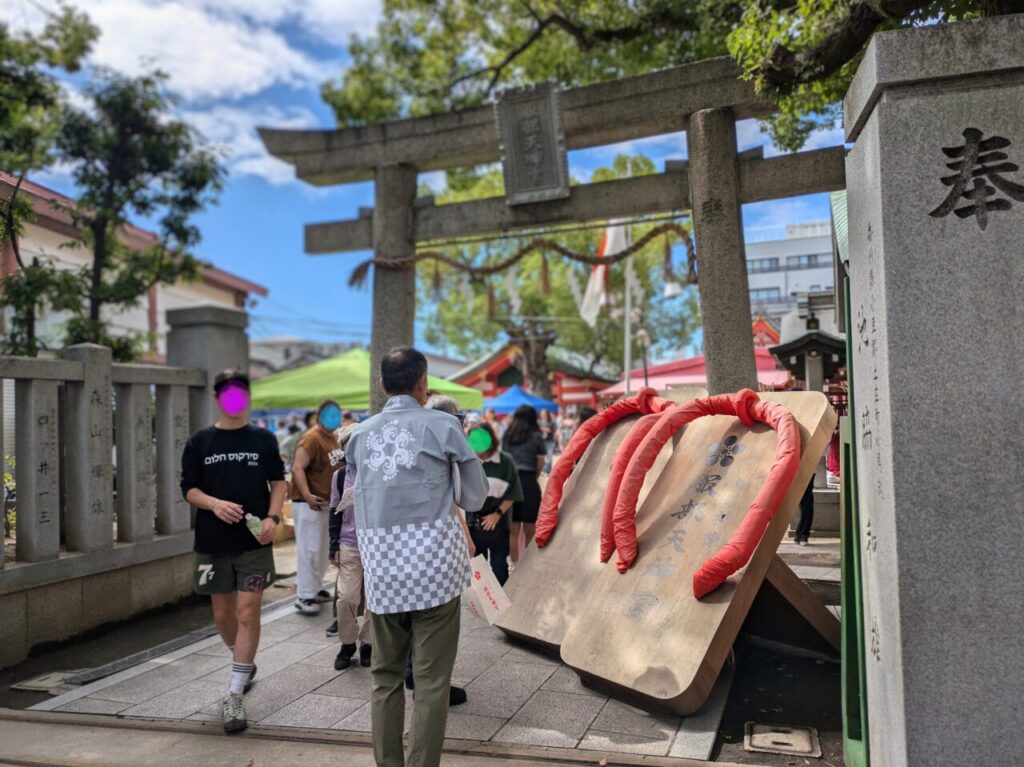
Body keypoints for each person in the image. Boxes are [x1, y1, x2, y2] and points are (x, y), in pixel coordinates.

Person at [347, 347, 488, 767]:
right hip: (435, 571)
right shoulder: (444, 426)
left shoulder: (358, 436)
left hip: (384, 572)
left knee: (385, 675)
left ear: (381, 384)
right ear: (423, 383)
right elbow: (474, 496)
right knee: (431, 681)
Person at [179, 369, 286, 734]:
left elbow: (279, 482)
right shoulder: (200, 442)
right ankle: (243, 660)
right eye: (228, 393)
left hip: (253, 544)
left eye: (241, 392)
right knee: (224, 614)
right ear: (217, 398)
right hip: (212, 544)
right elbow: (189, 489)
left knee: (247, 611)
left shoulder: (263, 439)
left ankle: (234, 692)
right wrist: (213, 504)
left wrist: (273, 517)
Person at [290, 400, 344, 615]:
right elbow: (297, 467)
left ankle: (316, 587)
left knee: (322, 550)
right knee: (309, 550)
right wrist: (307, 495)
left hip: (327, 504)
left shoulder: (334, 437)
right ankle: (304, 595)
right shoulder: (311, 438)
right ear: (319, 416)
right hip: (308, 504)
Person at [327, 426, 371, 668]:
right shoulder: (341, 476)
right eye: (347, 443)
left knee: (375, 599)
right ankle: (347, 644)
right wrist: (333, 545)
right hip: (349, 543)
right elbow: (334, 510)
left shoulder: (377, 470)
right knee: (346, 597)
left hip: (376, 544)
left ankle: (368, 644)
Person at [465, 422, 523, 585]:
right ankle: (485, 604)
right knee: (478, 567)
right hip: (475, 523)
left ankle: (503, 602)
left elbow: (514, 492)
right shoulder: (469, 462)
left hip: (498, 522)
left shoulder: (505, 461)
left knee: (499, 567)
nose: (478, 451)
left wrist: (496, 515)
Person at [501, 405, 546, 565]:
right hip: (528, 482)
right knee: (530, 529)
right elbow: (540, 462)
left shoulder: (507, 436)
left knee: (513, 530)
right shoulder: (536, 437)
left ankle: (514, 565)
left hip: (510, 484)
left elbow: (503, 461)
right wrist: (533, 476)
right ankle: (529, 566)